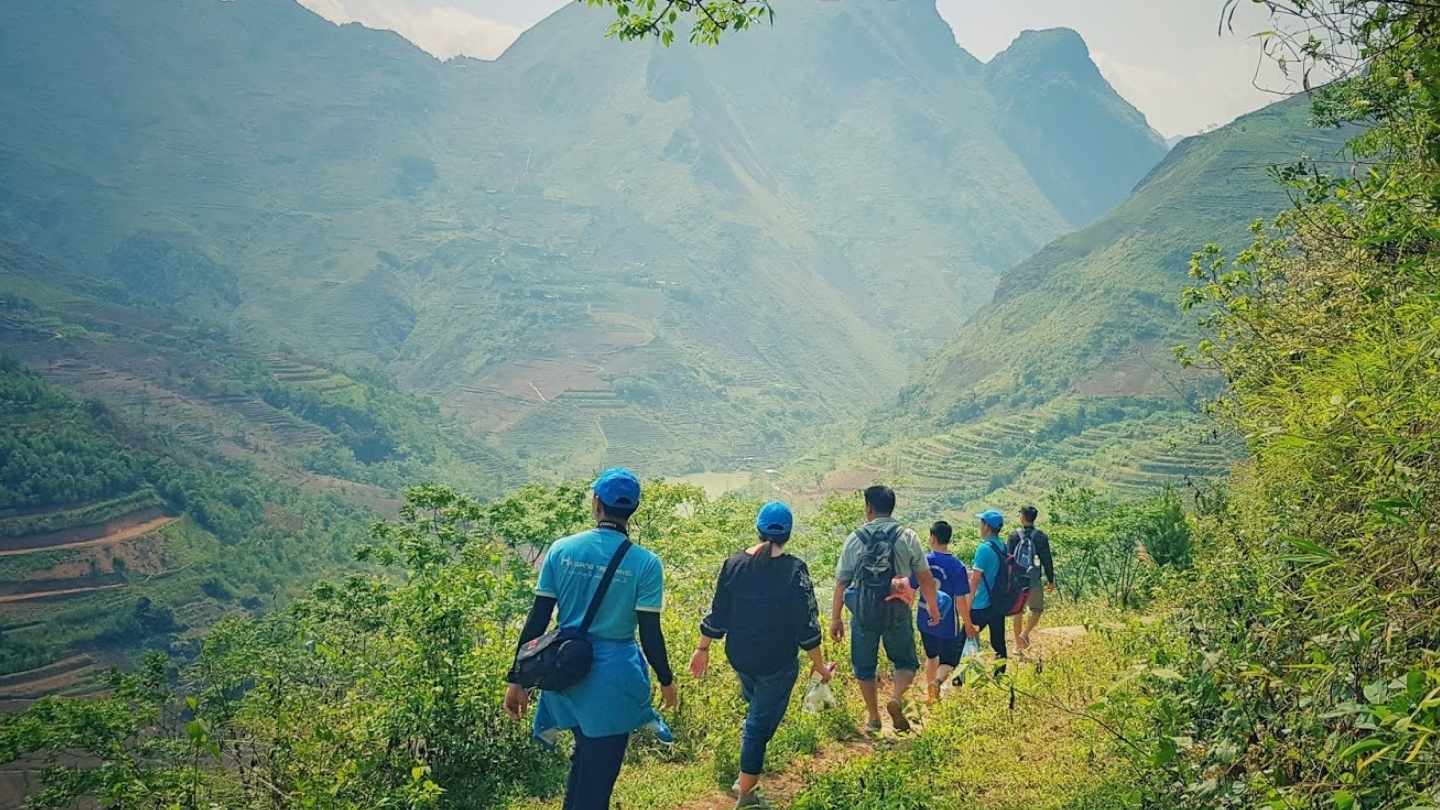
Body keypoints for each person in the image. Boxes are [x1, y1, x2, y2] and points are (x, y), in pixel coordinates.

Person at [503, 468, 677, 810]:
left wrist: (517, 678)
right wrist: (667, 679)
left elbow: (537, 619)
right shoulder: (646, 564)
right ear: (634, 509)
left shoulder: (562, 550)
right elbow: (650, 632)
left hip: (565, 673)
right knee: (598, 777)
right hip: (614, 683)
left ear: (596, 502)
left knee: (584, 760)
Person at [689, 501, 834, 809]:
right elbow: (807, 626)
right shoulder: (795, 571)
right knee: (759, 724)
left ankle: (748, 761)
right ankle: (746, 793)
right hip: (777, 662)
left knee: (758, 712)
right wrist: (820, 667)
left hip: (740, 657)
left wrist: (702, 648)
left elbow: (718, 614)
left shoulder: (733, 564)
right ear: (788, 534)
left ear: (758, 529)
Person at [829, 485, 941, 733]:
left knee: (864, 666)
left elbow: (841, 582)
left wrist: (835, 618)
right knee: (905, 662)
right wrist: (933, 607)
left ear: (869, 507)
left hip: (863, 611)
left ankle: (873, 718)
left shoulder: (855, 538)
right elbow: (925, 577)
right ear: (892, 507)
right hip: (896, 610)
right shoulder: (907, 536)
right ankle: (896, 699)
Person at [911, 520, 976, 702]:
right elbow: (960, 600)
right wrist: (968, 623)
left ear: (932, 538)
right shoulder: (957, 566)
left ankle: (931, 694)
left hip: (924, 618)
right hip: (948, 622)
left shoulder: (923, 561)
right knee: (948, 661)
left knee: (931, 656)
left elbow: (911, 589)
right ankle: (938, 681)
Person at [967, 509, 1010, 676]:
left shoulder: (984, 549)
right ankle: (1000, 676)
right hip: (998, 602)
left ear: (986, 526)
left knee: (964, 640)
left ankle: (962, 680)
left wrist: (967, 605)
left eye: (981, 523)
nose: (980, 526)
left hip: (981, 603)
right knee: (998, 642)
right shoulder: (1002, 546)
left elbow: (975, 580)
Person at [1009, 505, 1055, 653]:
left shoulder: (1013, 536)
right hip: (1034, 579)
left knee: (1017, 612)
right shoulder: (1041, 536)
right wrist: (1050, 579)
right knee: (1036, 610)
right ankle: (1025, 633)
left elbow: (1008, 560)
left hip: (1017, 580)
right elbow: (1047, 560)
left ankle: (1018, 646)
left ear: (1022, 517)